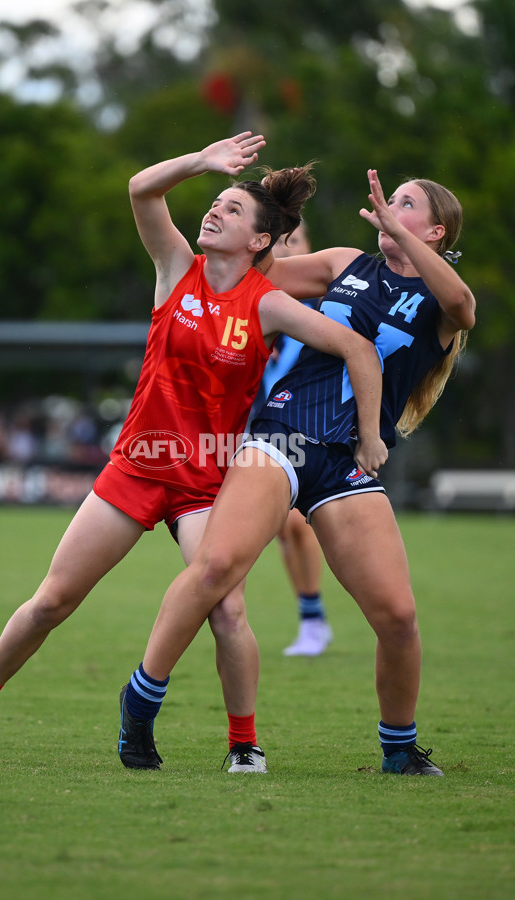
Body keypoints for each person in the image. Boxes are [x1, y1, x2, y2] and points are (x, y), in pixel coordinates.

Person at [0, 134, 384, 772]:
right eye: (214, 202)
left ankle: (244, 744)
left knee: (228, 610)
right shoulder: (175, 267)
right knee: (51, 602)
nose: (214, 210)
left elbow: (358, 349)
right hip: (136, 468)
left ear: (259, 241)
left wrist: (369, 435)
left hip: (205, 484)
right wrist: (201, 162)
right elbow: (141, 189)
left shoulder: (268, 303)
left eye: (231, 209)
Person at [118, 167, 475, 776]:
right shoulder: (345, 263)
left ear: (435, 231)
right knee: (216, 568)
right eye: (390, 199)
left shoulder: (444, 299)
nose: (389, 206)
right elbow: (253, 275)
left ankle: (399, 749)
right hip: (283, 434)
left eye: (405, 203)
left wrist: (399, 237)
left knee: (398, 618)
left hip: (349, 460)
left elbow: (463, 308)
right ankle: (142, 696)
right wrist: (269, 213)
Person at [266, 223, 331, 657]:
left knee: (292, 523)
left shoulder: (327, 309)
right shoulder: (256, 303)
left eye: (295, 241)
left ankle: (312, 618)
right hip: (259, 430)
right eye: (278, 241)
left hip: (311, 432)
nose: (286, 250)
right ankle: (312, 618)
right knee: (282, 530)